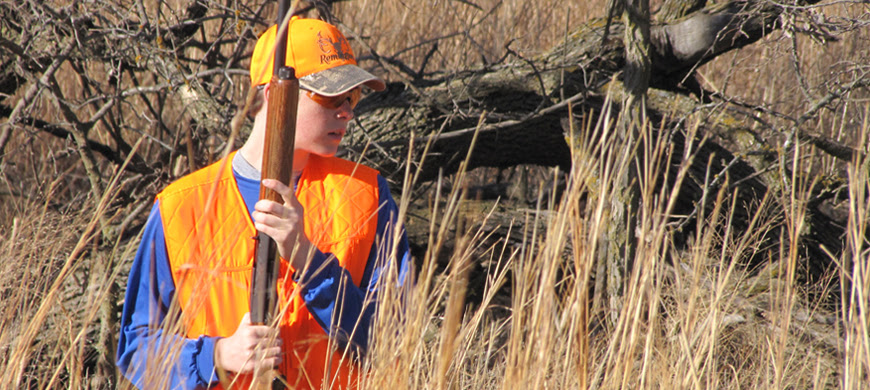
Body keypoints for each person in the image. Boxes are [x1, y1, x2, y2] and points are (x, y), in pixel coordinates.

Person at [116, 16, 411, 389]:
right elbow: (137, 347)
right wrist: (218, 356)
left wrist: (308, 259)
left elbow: (395, 339)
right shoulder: (182, 206)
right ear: (275, 93)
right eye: (331, 96)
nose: (347, 111)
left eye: (352, 98)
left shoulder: (365, 194)